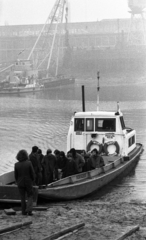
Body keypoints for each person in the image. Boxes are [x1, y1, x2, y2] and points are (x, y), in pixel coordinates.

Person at [14, 149, 35, 216]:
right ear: (26, 155)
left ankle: (23, 211)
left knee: (22, 197)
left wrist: (17, 182)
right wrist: (33, 180)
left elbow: (16, 176)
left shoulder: (16, 164)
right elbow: (32, 173)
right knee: (30, 196)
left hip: (20, 183)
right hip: (28, 182)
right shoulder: (29, 163)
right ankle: (29, 211)